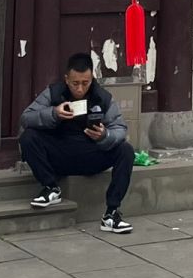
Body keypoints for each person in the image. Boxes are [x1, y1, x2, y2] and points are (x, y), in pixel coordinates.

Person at [20, 53, 135, 234]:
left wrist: (105, 135)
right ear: (67, 79)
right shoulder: (53, 93)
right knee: (28, 136)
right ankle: (51, 187)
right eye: (75, 83)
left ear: (91, 79)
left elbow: (120, 128)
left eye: (85, 83)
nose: (80, 88)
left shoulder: (102, 98)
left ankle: (112, 213)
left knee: (126, 150)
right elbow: (26, 118)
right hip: (59, 153)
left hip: (90, 154)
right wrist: (53, 113)